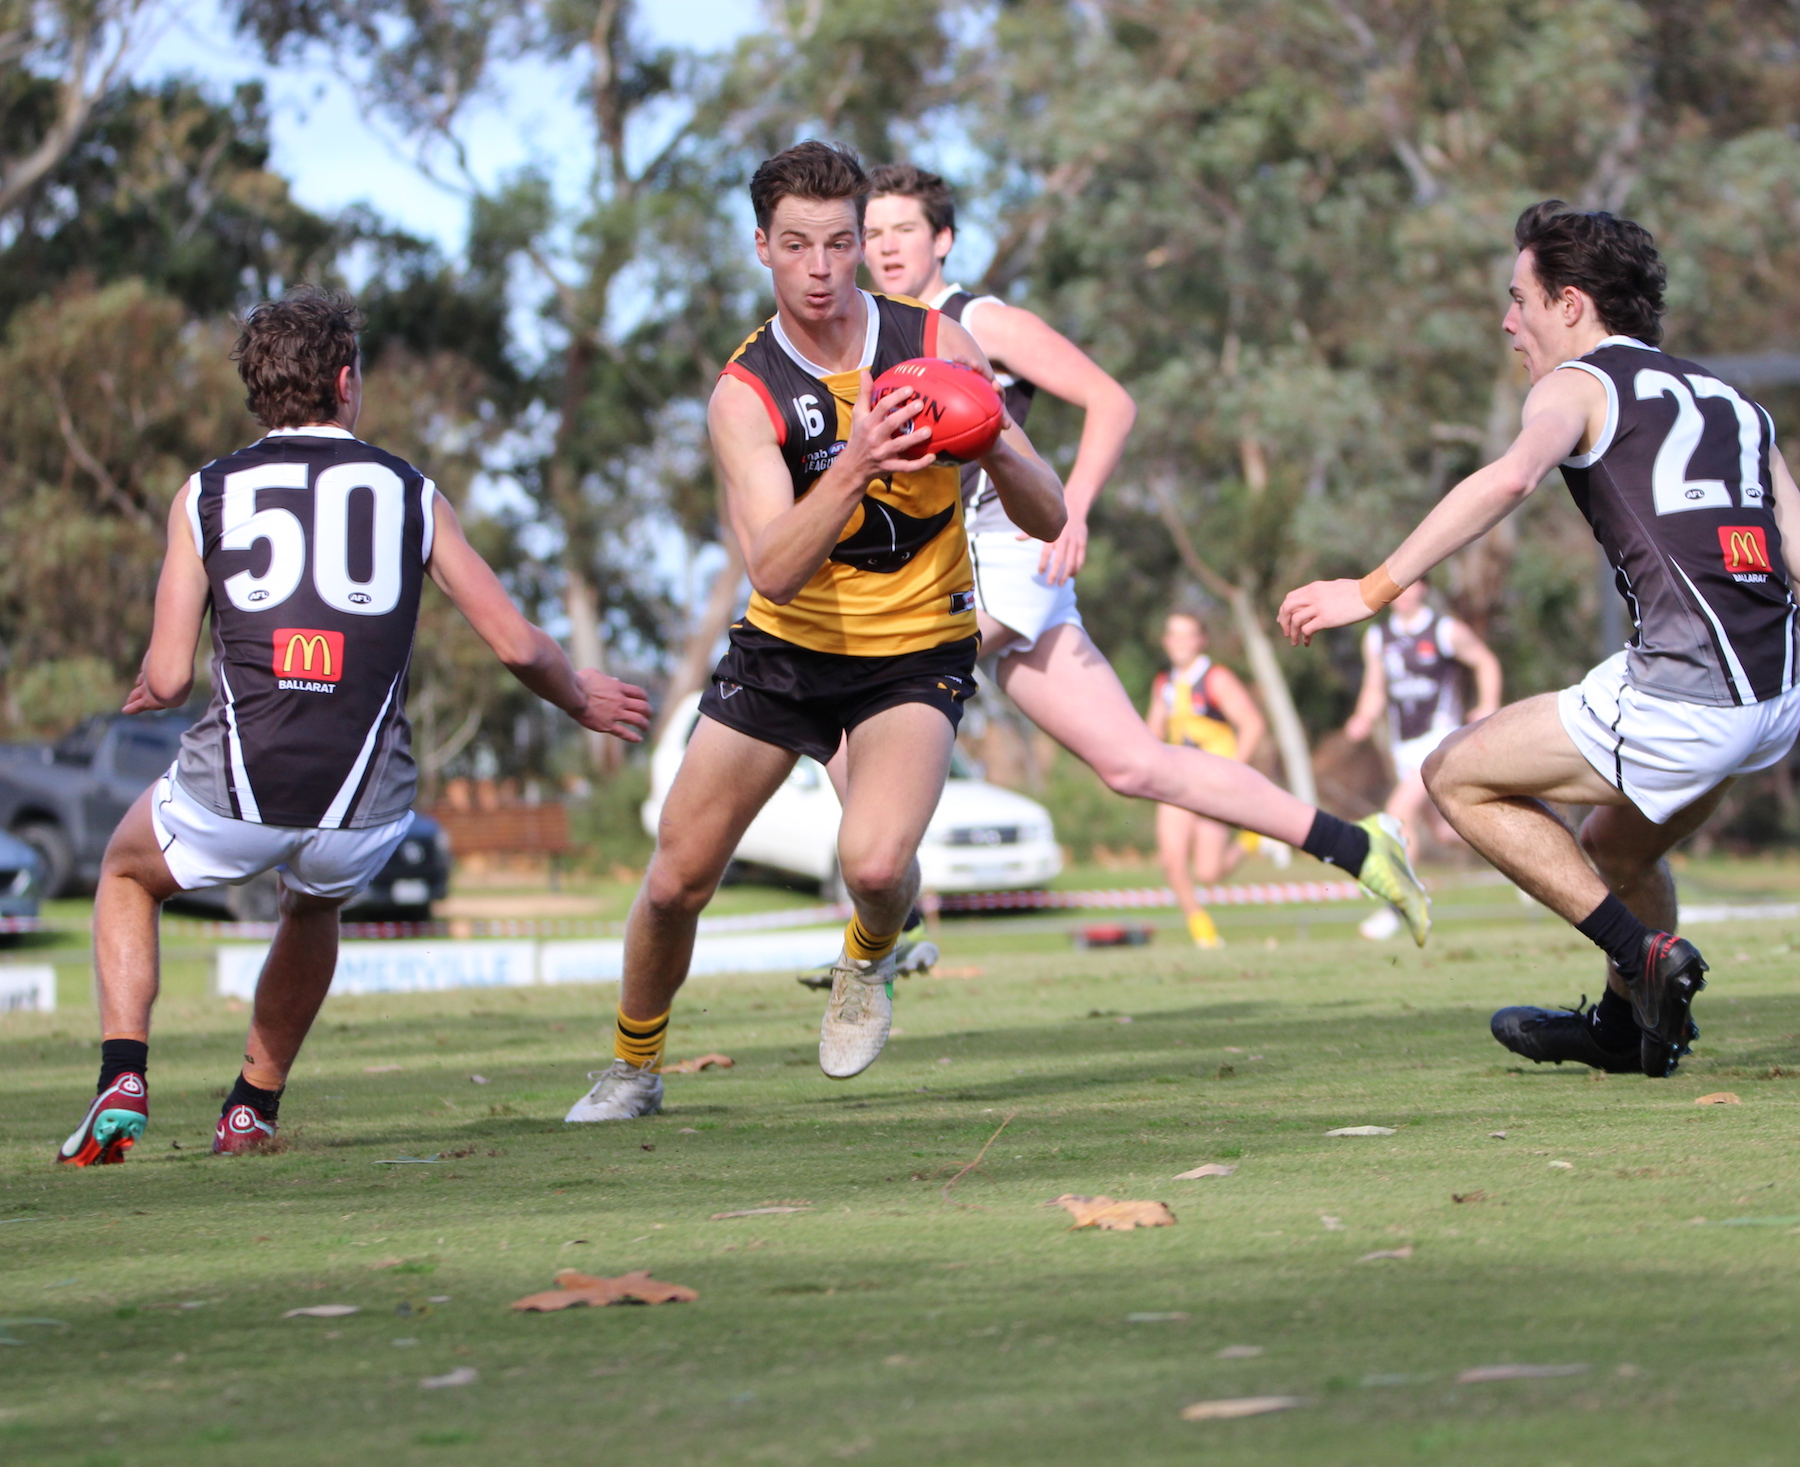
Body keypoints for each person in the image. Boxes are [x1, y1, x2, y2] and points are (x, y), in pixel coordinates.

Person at [1279, 201, 1800, 1078]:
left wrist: (1369, 589)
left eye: (1519, 298)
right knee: (1618, 848)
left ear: (1571, 303)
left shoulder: (1575, 384)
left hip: (1688, 698)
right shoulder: (1735, 404)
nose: (1508, 320)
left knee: (1454, 775)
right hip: (1777, 701)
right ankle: (1636, 1032)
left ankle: (1644, 957)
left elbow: (1511, 477)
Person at [57, 287, 650, 1165]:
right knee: (318, 897)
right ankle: (252, 1106)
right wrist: (581, 699)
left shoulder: (205, 492)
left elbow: (174, 672)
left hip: (235, 788)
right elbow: (517, 643)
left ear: (258, 393)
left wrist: (149, 681)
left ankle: (124, 1073)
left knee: (126, 872)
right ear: (345, 381)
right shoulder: (409, 490)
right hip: (366, 807)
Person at [564, 142, 1068, 1122]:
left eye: (840, 243)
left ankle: (865, 959)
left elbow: (1048, 519)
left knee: (875, 865)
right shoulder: (744, 394)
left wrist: (998, 437)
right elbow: (772, 567)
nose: (822, 268)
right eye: (798, 245)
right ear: (763, 248)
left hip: (917, 643)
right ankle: (633, 1064)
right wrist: (857, 460)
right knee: (675, 879)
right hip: (785, 652)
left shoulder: (937, 342)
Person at [859, 162, 1432, 943]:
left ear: (944, 240)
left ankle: (888, 935)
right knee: (1135, 765)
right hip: (951, 566)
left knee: (878, 683)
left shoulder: (980, 319)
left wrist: (1075, 511)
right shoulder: (874, 336)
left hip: (1014, 555)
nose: (886, 247)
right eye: (872, 233)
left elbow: (1111, 399)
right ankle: (1358, 842)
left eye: (904, 230)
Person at [1342, 581, 1502, 938]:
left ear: (1424, 589)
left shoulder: (1444, 630)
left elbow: (1485, 661)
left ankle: (1398, 906)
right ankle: (1526, 858)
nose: (1402, 594)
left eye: (1410, 586)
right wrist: (1363, 718)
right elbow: (1374, 687)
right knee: (1446, 832)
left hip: (1438, 740)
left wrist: (1488, 701)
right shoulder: (1377, 638)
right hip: (1404, 746)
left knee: (1397, 815)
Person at [1145, 611, 1271, 947]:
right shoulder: (1164, 684)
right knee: (1171, 858)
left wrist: (1234, 772)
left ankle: (1250, 842)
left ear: (1202, 641)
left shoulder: (1216, 678)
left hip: (1215, 780)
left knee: (1208, 872)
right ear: (1165, 642)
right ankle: (1202, 930)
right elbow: (1153, 732)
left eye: (1187, 635)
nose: (1179, 642)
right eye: (1173, 634)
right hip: (1179, 780)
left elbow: (1252, 725)